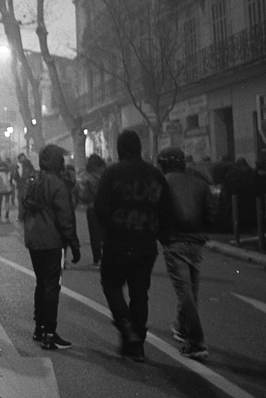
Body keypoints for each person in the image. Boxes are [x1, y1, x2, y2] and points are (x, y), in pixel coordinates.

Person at [95, 130, 174, 362]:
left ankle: (126, 328)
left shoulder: (111, 173)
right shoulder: (155, 175)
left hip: (118, 242)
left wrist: (112, 226)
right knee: (140, 293)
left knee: (111, 285)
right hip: (145, 244)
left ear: (120, 149)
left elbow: (100, 207)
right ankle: (137, 340)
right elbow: (167, 211)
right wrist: (156, 232)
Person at [157, 147, 216, 361]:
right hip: (196, 242)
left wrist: (161, 234)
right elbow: (212, 215)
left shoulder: (163, 183)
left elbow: (157, 212)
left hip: (174, 241)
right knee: (191, 289)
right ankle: (182, 328)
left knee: (185, 293)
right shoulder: (200, 184)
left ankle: (196, 342)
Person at [21, 144, 81, 350]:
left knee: (41, 282)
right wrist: (74, 243)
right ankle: (49, 332)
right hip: (51, 240)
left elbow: (23, 211)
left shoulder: (32, 181)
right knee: (51, 285)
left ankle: (39, 327)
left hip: (33, 239)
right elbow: (66, 217)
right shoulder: (57, 184)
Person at [76, 154, 106, 267]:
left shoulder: (87, 177)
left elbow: (84, 195)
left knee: (94, 234)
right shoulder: (106, 173)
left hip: (92, 207)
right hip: (106, 207)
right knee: (105, 232)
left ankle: (97, 259)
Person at [14, 153, 35, 221]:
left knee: (21, 201)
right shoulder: (30, 165)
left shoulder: (18, 166)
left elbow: (15, 176)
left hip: (22, 186)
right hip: (28, 186)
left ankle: (21, 216)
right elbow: (33, 174)